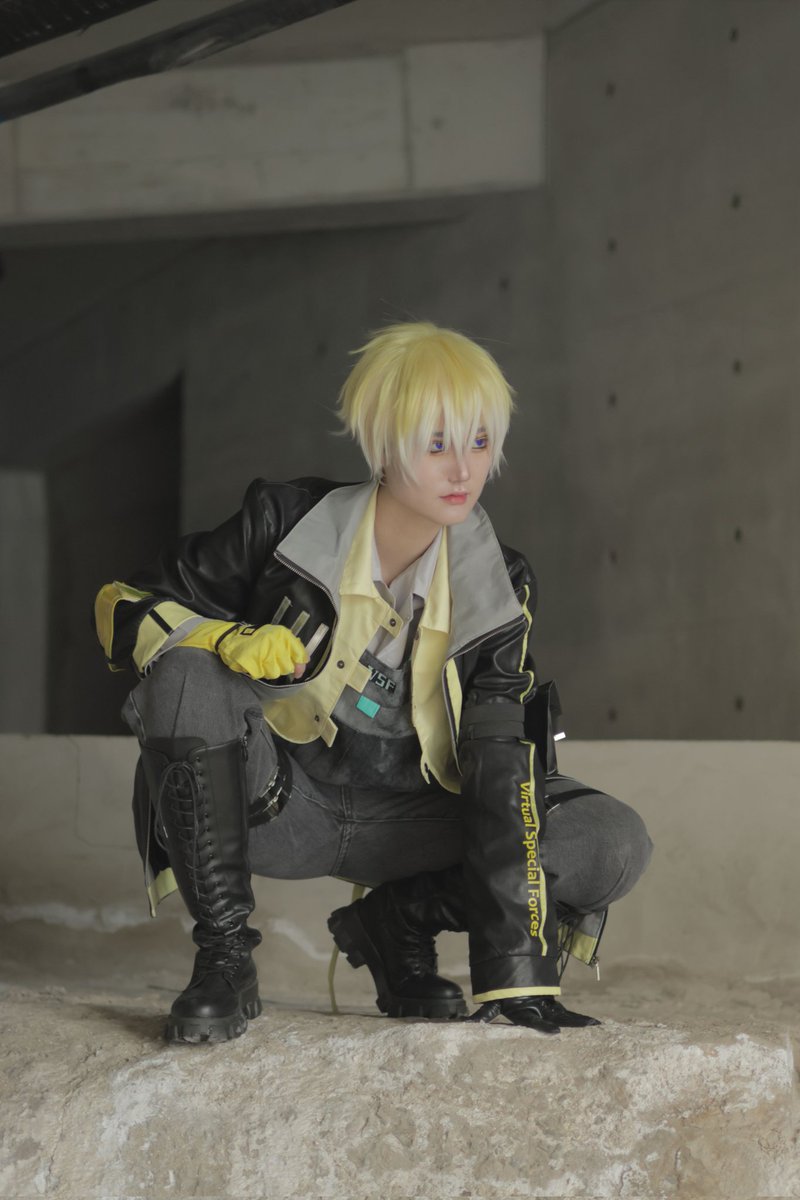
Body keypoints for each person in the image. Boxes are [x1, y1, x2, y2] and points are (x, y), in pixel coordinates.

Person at [94, 321, 652, 1043]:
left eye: (480, 441)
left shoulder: (501, 586)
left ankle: (398, 923)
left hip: (414, 826)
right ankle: (224, 960)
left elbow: (500, 765)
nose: (464, 470)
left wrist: (517, 980)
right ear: (384, 448)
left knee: (610, 840)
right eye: (437, 444)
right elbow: (124, 604)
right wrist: (224, 640)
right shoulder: (282, 522)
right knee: (184, 669)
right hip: (274, 807)